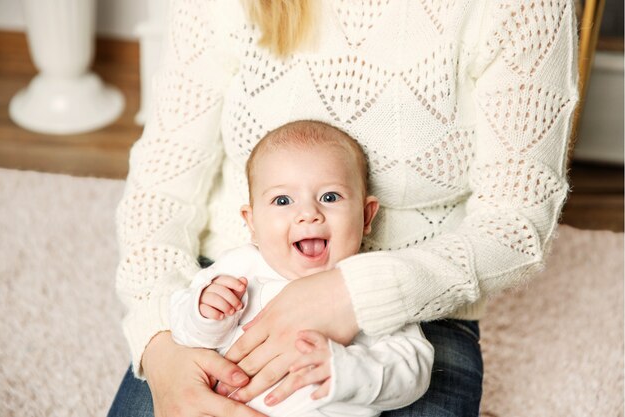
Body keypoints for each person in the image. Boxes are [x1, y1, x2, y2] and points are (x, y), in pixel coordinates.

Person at [108, 1, 579, 416]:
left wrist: (356, 294)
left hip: (420, 296)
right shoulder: (229, 279)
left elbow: (516, 227)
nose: (310, 214)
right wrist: (161, 343)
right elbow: (159, 189)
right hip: (233, 279)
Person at [168, 120, 434, 416]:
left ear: (366, 215)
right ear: (252, 223)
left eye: (330, 197)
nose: (308, 213)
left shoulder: (373, 286)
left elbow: (413, 369)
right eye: (283, 200)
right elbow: (183, 329)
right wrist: (204, 312)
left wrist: (345, 368)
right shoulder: (239, 267)